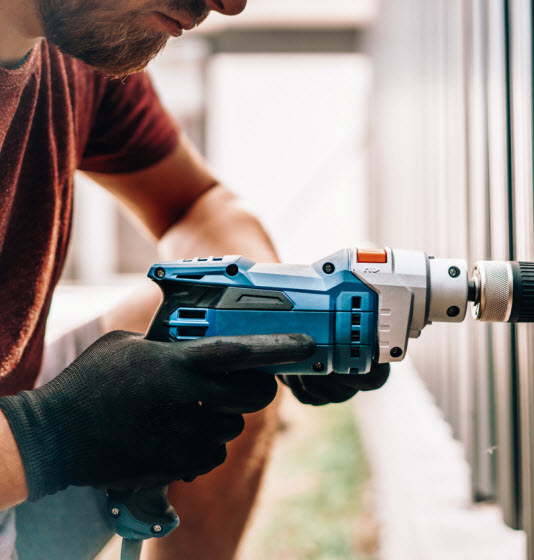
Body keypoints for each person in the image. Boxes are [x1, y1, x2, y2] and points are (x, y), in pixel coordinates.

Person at [0, 0, 389, 558]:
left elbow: (196, 206)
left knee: (220, 344)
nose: (230, 4)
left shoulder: (77, 48)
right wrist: (52, 433)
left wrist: (274, 304)